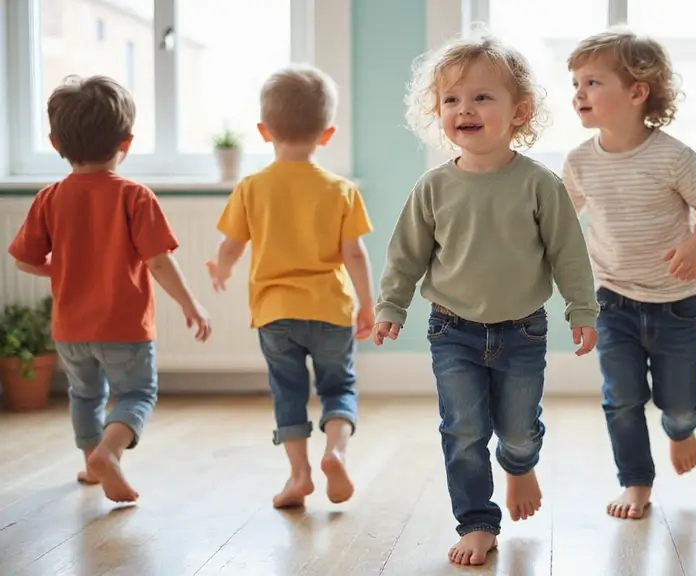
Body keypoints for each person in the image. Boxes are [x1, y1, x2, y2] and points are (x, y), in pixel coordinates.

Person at [374, 35, 599, 566]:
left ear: (518, 112)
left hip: (522, 330)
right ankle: (477, 521)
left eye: (481, 97)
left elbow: (570, 253)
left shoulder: (541, 185)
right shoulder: (433, 187)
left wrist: (582, 310)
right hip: (452, 330)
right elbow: (405, 255)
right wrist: (391, 306)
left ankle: (520, 465)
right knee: (463, 429)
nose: (464, 109)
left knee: (517, 430)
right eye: (451, 100)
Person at [7, 75, 211, 503]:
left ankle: (90, 462)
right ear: (127, 142)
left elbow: (25, 259)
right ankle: (110, 452)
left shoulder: (49, 198)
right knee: (137, 392)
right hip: (125, 327)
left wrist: (60, 272)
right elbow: (158, 261)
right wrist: (191, 304)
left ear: (55, 143)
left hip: (71, 329)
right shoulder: (135, 196)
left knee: (84, 393)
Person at [561, 27, 696, 520]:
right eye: (576, 83)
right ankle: (636, 480)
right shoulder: (578, 162)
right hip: (612, 301)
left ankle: (680, 427)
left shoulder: (673, 156)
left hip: (677, 305)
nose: (579, 94)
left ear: (637, 92)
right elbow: (560, 223)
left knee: (676, 402)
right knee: (622, 399)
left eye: (592, 82)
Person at [206, 64, 375, 509]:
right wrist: (368, 305)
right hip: (331, 309)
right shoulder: (340, 190)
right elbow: (354, 254)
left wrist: (221, 270)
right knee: (339, 388)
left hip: (274, 313)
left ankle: (299, 474)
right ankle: (335, 451)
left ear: (264, 131)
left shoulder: (251, 187)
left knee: (289, 392)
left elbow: (231, 246)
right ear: (327, 133)